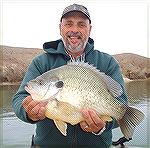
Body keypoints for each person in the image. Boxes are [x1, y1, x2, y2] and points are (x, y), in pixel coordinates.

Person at [12, 3, 127, 148]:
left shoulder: (108, 63)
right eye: (68, 24)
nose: (74, 30)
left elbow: (122, 106)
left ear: (89, 29)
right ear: (60, 28)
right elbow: (19, 99)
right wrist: (28, 112)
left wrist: (102, 126)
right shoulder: (40, 62)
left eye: (81, 25)